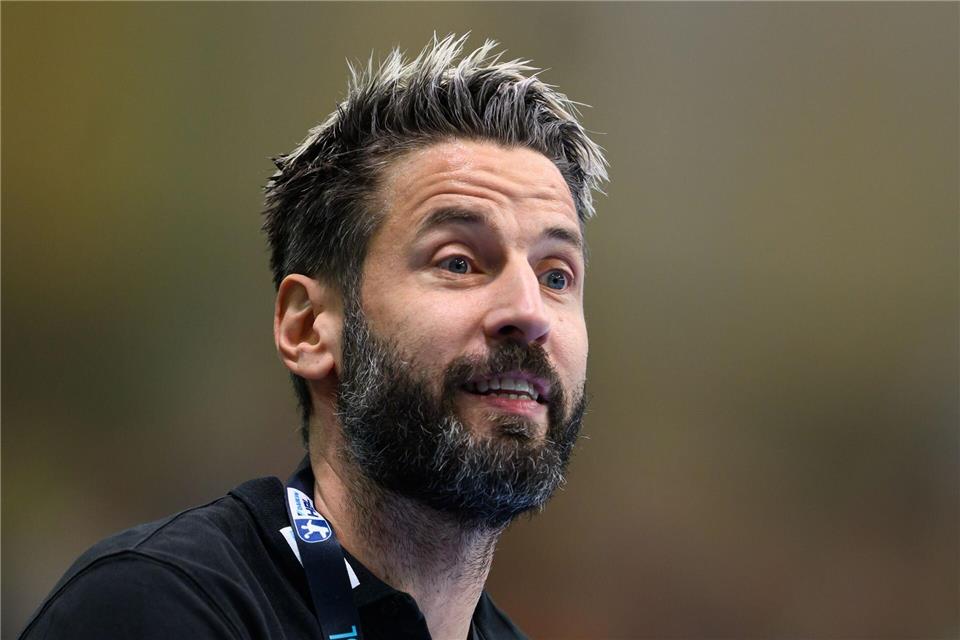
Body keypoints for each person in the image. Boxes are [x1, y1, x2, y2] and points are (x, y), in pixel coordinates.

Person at [19, 34, 608, 640]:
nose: (529, 311)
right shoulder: (155, 608)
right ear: (307, 328)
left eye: (556, 275)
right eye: (458, 261)